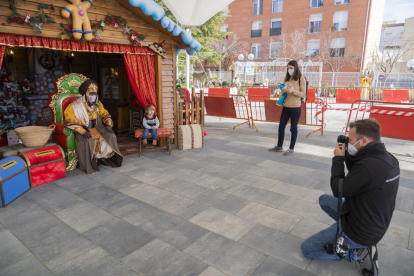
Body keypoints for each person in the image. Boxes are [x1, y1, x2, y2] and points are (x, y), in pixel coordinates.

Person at [301, 119, 400, 275]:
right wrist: (347, 151)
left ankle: (356, 252)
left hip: (360, 230)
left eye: (351, 140)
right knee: (324, 200)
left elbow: (339, 189)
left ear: (365, 141)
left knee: (307, 249)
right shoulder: (388, 159)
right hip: (374, 220)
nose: (349, 141)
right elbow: (357, 173)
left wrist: (338, 158)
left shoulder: (368, 166)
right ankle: (356, 244)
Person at [64, 79, 123, 175]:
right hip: (83, 130)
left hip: (98, 128)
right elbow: (69, 120)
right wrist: (83, 132)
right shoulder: (74, 106)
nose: (93, 96)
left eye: (95, 93)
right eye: (91, 93)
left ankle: (107, 159)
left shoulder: (98, 104)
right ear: (85, 94)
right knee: (89, 140)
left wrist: (108, 125)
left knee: (111, 136)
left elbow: (105, 114)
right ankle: (91, 165)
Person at [269, 60, 306, 156]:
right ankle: (279, 146)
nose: (290, 70)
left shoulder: (301, 79)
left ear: (296, 68)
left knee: (293, 129)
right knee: (281, 126)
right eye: (288, 68)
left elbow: (303, 94)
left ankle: (291, 148)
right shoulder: (286, 78)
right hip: (286, 106)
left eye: (291, 68)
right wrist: (283, 91)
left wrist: (292, 91)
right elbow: (283, 93)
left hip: (295, 108)